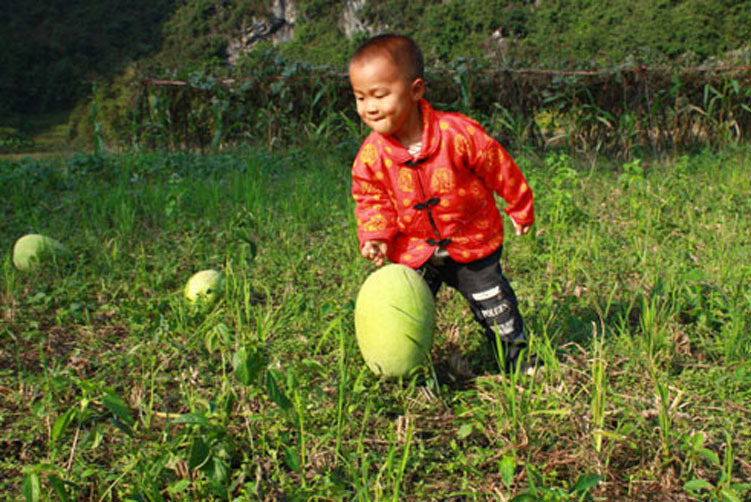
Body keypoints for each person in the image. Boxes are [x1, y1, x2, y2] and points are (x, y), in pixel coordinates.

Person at [349, 34, 538, 374]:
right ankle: (404, 368)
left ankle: (518, 360)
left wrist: (520, 205)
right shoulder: (371, 156)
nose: (370, 107)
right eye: (360, 98)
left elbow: (500, 167)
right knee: (401, 309)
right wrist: (376, 235)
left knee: (496, 308)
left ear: (416, 90)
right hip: (413, 249)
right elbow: (371, 197)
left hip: (472, 243)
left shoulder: (459, 135)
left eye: (380, 95)